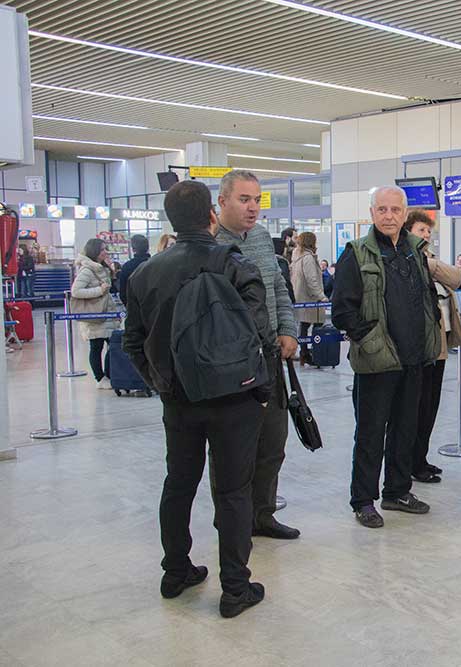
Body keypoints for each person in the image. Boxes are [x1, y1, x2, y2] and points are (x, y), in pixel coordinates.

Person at [123, 179, 274, 619]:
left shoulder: (145, 274)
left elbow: (133, 342)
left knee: (179, 484)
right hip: (236, 398)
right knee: (234, 491)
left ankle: (176, 571)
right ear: (211, 215)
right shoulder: (235, 264)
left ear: (170, 220)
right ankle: (235, 588)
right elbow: (260, 333)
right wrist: (261, 388)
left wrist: (162, 382)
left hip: (180, 400)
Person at [331, 186, 441, 529]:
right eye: (382, 209)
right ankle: (363, 500)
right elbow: (342, 310)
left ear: (405, 213)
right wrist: (371, 341)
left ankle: (397, 491)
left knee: (405, 430)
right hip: (377, 361)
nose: (389, 216)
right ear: (372, 213)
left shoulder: (415, 251)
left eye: (395, 210)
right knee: (370, 434)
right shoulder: (356, 253)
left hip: (414, 358)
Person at [215, 170, 301, 540]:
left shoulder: (264, 239)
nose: (253, 207)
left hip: (270, 357)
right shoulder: (212, 244)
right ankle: (232, 521)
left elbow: (279, 288)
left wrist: (288, 329)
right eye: (244, 199)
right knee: (232, 449)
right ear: (222, 201)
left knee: (272, 443)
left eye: (257, 200)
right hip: (231, 363)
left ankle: (262, 514)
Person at [404, 210, 461, 484]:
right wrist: (430, 263)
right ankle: (413, 462)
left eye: (428, 231)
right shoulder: (413, 260)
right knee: (419, 406)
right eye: (421, 230)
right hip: (423, 346)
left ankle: (421, 457)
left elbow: (458, 277)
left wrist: (431, 262)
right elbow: (451, 276)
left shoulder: (428, 259)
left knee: (431, 405)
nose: (427, 235)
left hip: (440, 345)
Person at [71, 238, 118, 389]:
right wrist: (99, 290)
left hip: (107, 313)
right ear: (95, 251)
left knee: (113, 345)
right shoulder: (87, 270)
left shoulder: (102, 268)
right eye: (102, 249)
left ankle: (109, 375)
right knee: (96, 346)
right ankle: (100, 378)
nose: (105, 252)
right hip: (95, 314)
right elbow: (76, 291)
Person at [291, 231, 327, 366]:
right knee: (317, 325)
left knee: (304, 324)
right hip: (310, 298)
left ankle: (304, 353)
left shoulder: (297, 256)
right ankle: (313, 353)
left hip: (300, 296)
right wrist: (321, 297)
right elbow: (312, 280)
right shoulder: (308, 258)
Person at [117, 234, 151, 306]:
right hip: (154, 306)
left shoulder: (127, 267)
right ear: (148, 247)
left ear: (133, 249)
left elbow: (123, 293)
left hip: (133, 306)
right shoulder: (155, 264)